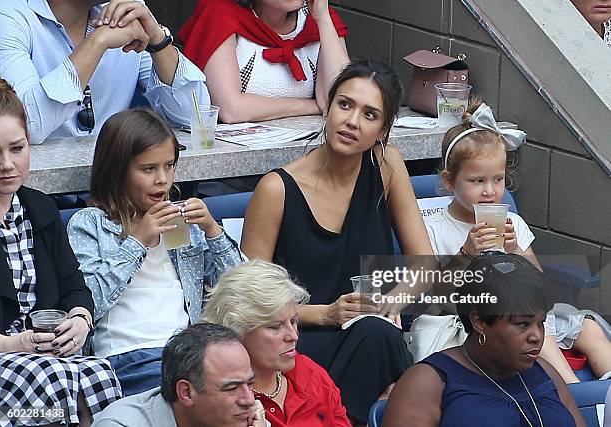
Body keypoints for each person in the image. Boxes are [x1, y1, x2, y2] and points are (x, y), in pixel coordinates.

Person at [241, 59, 433, 424]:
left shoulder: (388, 166)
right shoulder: (276, 188)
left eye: (370, 114)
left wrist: (391, 303)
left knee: (379, 334)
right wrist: (327, 313)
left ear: (383, 130)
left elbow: (424, 263)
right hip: (298, 338)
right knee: (378, 344)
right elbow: (251, 305)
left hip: (371, 334)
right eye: (345, 105)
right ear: (328, 108)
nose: (352, 121)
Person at [424, 99, 611, 383]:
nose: (490, 191)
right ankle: (575, 397)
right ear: (449, 181)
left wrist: (515, 250)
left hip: (521, 314)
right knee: (531, 329)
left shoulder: (513, 224)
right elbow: (434, 296)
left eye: (498, 180)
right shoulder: (433, 228)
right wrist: (465, 253)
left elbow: (539, 285)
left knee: (587, 328)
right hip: (470, 324)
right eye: (477, 181)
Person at [67, 108, 243, 396]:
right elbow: (87, 302)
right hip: (124, 357)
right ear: (117, 169)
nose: (163, 179)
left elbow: (240, 291)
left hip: (186, 354)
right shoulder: (89, 224)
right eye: (148, 169)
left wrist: (213, 231)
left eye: (170, 165)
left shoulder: (180, 220)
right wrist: (138, 241)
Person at [0, 78, 121, 426]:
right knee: (49, 384)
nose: (7, 164)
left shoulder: (40, 209)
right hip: (11, 360)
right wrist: (14, 344)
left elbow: (74, 286)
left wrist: (80, 319)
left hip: (42, 358)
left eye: (16, 148)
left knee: (98, 373)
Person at [383, 252, 586, 427]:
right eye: (522, 324)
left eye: (540, 323)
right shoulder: (427, 383)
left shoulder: (545, 372)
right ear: (479, 322)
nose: (537, 336)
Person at [0, 0, 209, 144]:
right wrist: (97, 43)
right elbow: (27, 126)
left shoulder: (123, 12)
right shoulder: (9, 16)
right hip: (34, 195)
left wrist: (157, 40)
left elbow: (197, 118)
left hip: (118, 191)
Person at [202, 259, 351, 426]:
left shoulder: (311, 374)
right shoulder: (225, 398)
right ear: (236, 332)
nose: (293, 335)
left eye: (294, 321)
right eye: (275, 327)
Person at [178, 0, 349, 122]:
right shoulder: (220, 12)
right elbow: (231, 109)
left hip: (311, 155)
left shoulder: (319, 19)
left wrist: (323, 18)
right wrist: (311, 106)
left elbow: (345, 101)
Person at [91, 322, 267, 427]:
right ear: (186, 392)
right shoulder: (123, 424)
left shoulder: (245, 421)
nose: (249, 400)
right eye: (232, 388)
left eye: (249, 384)